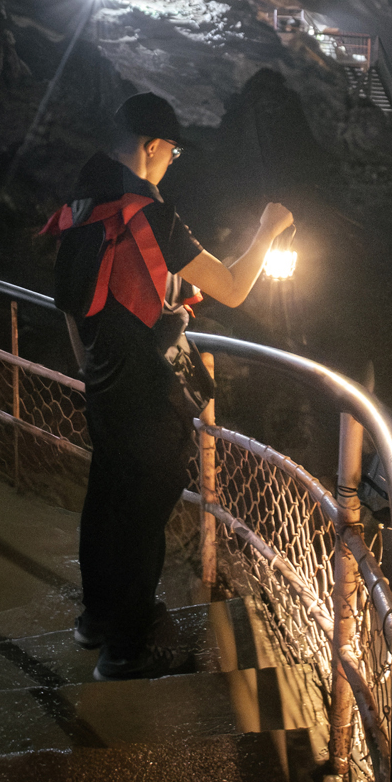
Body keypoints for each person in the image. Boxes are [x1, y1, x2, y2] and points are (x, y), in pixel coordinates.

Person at [43, 92, 293, 679]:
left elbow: (75, 305)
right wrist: (268, 228)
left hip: (104, 382)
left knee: (107, 500)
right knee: (144, 511)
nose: (173, 160)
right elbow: (233, 287)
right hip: (146, 391)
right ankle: (127, 650)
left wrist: (94, 365)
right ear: (152, 145)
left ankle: (98, 620)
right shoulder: (148, 214)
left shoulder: (82, 208)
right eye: (172, 150)